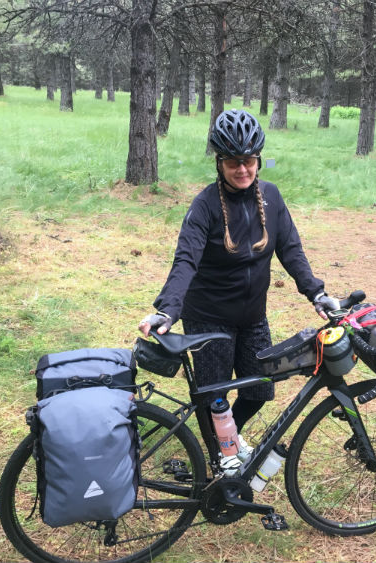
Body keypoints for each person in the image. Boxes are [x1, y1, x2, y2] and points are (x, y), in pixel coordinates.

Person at [139, 109, 338, 464]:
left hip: (252, 316)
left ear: (258, 160)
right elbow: (186, 260)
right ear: (220, 163)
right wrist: (166, 309)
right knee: (214, 395)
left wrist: (316, 292)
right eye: (233, 162)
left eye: (248, 161)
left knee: (260, 388)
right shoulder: (205, 206)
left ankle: (230, 436)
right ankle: (220, 456)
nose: (242, 169)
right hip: (209, 317)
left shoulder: (272, 198)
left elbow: (290, 248)